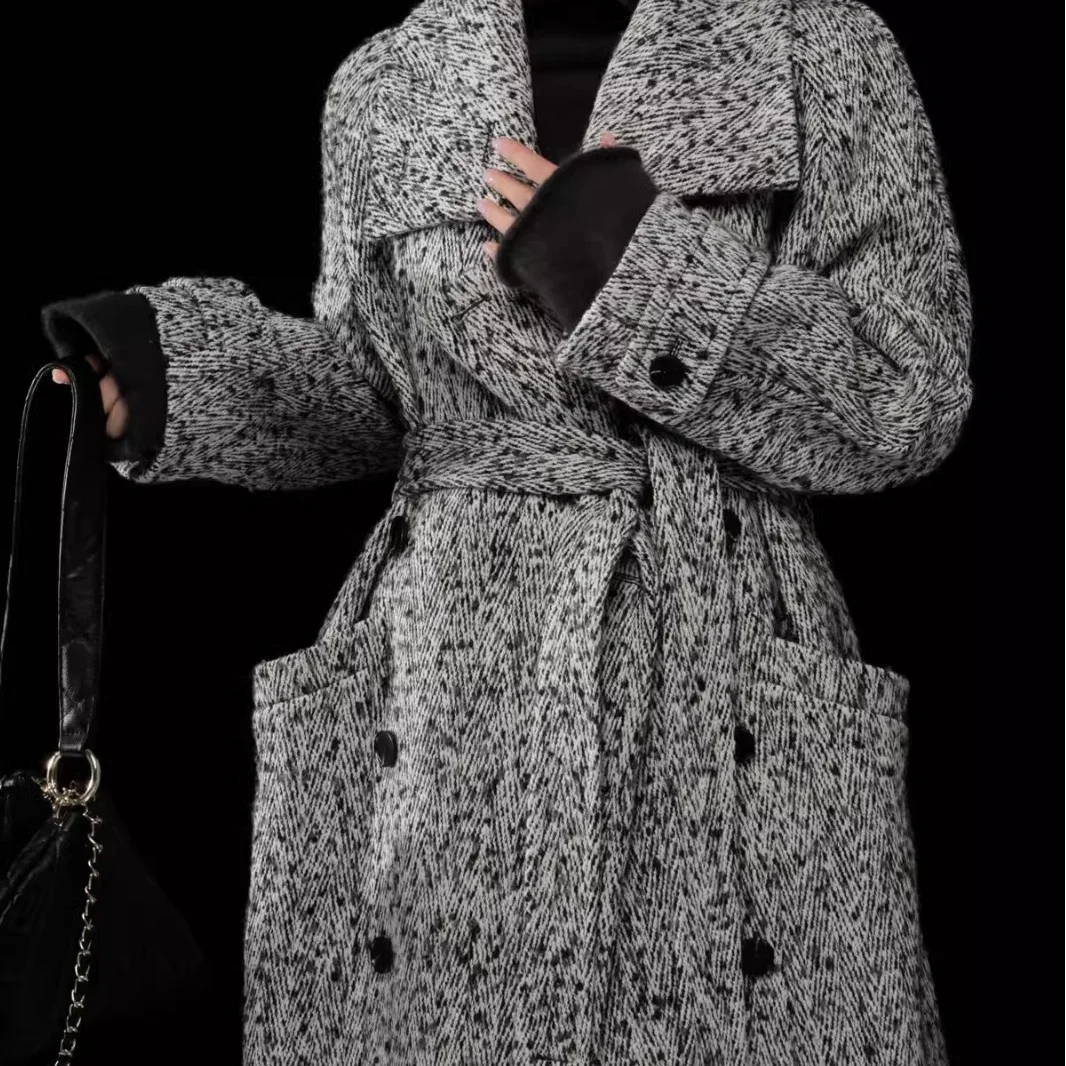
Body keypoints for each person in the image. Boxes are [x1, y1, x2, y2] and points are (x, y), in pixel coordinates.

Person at [43, 1, 973, 1063]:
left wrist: (637, 273)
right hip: (444, 686)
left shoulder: (815, 47)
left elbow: (908, 394)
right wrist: (181, 376)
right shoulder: (387, 78)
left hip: (717, 652)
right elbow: (385, 395)